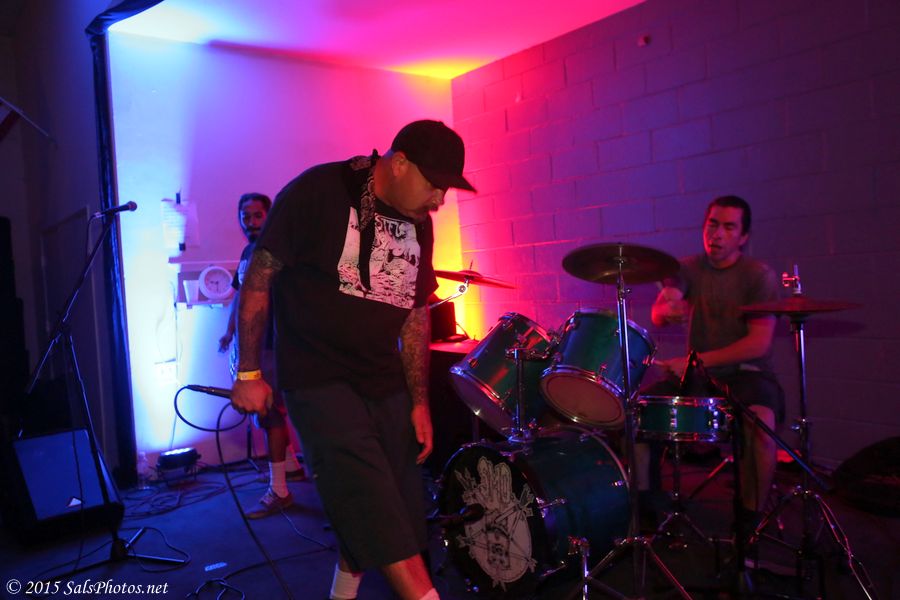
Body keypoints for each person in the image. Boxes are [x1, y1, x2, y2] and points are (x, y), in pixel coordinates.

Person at [230, 120, 475, 600]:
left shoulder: (418, 222)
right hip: (317, 377)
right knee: (370, 502)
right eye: (434, 185)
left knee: (401, 511)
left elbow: (415, 312)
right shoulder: (318, 191)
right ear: (399, 164)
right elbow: (258, 279)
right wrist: (249, 372)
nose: (439, 199)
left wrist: (419, 402)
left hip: (381, 379)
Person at [637, 195, 785, 537]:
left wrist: (697, 360)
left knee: (761, 424)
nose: (717, 234)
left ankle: (749, 522)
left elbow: (758, 344)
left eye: (728, 227)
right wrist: (668, 307)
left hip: (747, 374)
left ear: (743, 237)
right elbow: (661, 308)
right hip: (697, 375)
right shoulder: (688, 267)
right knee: (639, 413)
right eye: (712, 224)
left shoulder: (758, 275)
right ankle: (647, 507)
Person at [218, 192, 306, 519]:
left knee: (270, 413)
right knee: (268, 412)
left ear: (268, 216)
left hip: (272, 344)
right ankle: (291, 466)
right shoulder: (247, 253)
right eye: (246, 217)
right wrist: (230, 332)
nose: (251, 222)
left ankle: (279, 490)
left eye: (257, 216)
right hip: (252, 346)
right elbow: (241, 296)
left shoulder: (275, 251)